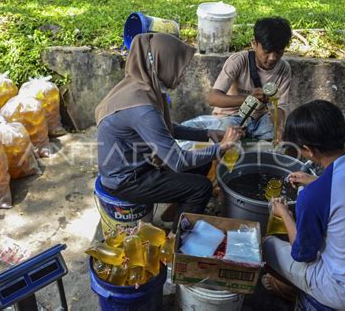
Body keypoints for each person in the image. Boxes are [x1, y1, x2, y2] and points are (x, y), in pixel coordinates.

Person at [95, 33, 243, 231]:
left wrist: (206, 133)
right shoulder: (142, 108)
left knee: (203, 162)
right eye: (179, 68)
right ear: (162, 64)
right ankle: (176, 241)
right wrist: (222, 147)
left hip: (135, 167)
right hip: (126, 181)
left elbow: (165, 128)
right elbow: (178, 162)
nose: (182, 75)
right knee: (201, 187)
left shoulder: (138, 86)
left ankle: (175, 211)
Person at [263, 100, 345, 309]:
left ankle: (288, 290)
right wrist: (317, 181)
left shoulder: (313, 196)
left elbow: (302, 254)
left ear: (307, 150)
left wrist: (284, 213)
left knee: (266, 245)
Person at [183, 16, 292, 142]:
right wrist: (248, 99)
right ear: (254, 44)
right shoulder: (238, 61)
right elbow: (213, 98)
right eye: (267, 51)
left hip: (259, 121)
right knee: (223, 134)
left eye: (278, 52)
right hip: (231, 116)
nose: (273, 58)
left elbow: (279, 107)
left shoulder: (284, 69)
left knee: (289, 135)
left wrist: (279, 129)